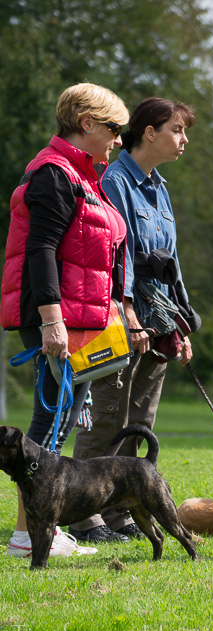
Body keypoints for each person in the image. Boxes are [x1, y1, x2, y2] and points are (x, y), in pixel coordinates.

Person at [2, 82, 129, 559]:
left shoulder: (83, 175)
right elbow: (42, 250)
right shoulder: (54, 174)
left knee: (62, 420)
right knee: (49, 422)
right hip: (57, 319)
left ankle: (40, 531)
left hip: (80, 319)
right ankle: (28, 536)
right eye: (115, 128)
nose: (119, 139)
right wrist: (52, 320)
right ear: (87, 123)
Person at [67, 97, 198, 544]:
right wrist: (128, 314)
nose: (184, 141)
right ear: (150, 132)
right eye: (177, 130)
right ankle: (84, 517)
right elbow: (112, 256)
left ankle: (122, 510)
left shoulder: (158, 188)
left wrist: (180, 324)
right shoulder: (115, 181)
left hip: (158, 321)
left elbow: (171, 264)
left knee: (140, 419)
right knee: (107, 415)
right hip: (119, 319)